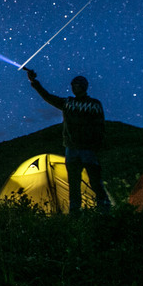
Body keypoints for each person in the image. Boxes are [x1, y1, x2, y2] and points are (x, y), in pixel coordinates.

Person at [25, 68, 110, 213]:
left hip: (88, 150)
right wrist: (34, 82)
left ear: (83, 86)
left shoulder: (93, 104)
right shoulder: (67, 103)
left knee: (95, 181)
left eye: (76, 85)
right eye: (72, 85)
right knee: (74, 183)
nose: (73, 87)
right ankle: (75, 211)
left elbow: (100, 126)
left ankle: (104, 208)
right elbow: (48, 97)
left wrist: (96, 146)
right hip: (72, 149)